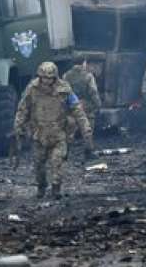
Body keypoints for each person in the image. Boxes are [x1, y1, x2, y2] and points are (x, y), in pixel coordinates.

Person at [14, 61, 94, 198]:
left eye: (49, 78)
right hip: (39, 134)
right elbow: (23, 109)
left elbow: (77, 109)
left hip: (59, 134)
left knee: (57, 163)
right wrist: (18, 127)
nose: (46, 81)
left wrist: (85, 127)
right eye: (44, 78)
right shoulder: (32, 89)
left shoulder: (64, 89)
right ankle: (41, 186)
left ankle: (56, 188)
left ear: (55, 77)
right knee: (39, 166)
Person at [62, 59, 102, 134]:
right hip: (85, 104)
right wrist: (98, 104)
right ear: (84, 63)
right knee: (90, 118)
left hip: (71, 104)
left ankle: (70, 139)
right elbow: (93, 92)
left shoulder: (65, 75)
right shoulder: (88, 76)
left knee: (71, 123)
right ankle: (88, 140)